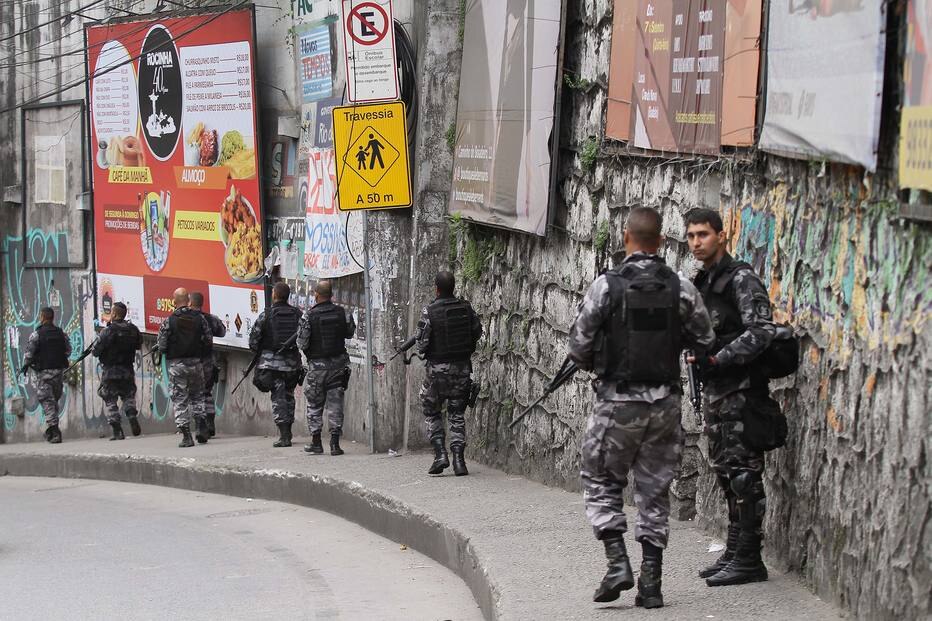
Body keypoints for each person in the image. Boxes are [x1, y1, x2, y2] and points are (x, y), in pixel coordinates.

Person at [569, 207, 715, 608]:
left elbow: (579, 345)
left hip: (618, 403)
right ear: (662, 242)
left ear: (625, 237)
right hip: (666, 403)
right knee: (654, 490)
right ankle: (651, 584)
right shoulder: (681, 287)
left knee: (600, 479)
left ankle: (618, 563)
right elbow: (704, 337)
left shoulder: (606, 286)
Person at [685, 208, 778, 587]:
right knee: (725, 473)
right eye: (691, 235)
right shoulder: (704, 282)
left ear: (721, 236)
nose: (696, 242)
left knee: (744, 475)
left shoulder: (741, 279)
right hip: (718, 393)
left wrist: (719, 357)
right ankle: (736, 550)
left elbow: (762, 331)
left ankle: (750, 558)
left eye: (703, 234)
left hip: (741, 392)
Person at [415, 271, 482, 476]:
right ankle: (459, 461)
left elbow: (421, 345)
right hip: (462, 370)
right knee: (456, 414)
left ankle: (440, 454)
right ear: (453, 287)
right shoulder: (466, 308)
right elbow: (477, 333)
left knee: (432, 410)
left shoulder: (430, 311)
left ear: (436, 288)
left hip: (436, 372)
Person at [296, 280, 356, 456]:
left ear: (316, 294)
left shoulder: (308, 316)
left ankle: (316, 442)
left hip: (317, 368)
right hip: (338, 366)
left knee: (315, 404)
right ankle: (335, 444)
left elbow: (301, 342)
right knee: (335, 404)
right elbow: (350, 332)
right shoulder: (342, 313)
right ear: (332, 295)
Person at [249, 282, 304, 448]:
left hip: (272, 365)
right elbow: (304, 337)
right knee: (288, 395)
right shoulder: (298, 314)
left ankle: (284, 434)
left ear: (274, 295)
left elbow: (253, 341)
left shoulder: (266, 315)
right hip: (292, 364)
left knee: (278, 397)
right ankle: (287, 429)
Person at [157, 288, 212, 447]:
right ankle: (201, 426)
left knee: (180, 399)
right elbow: (208, 339)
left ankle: (187, 436)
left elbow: (162, 345)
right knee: (198, 396)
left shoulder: (169, 321)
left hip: (177, 365)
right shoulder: (200, 319)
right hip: (196, 363)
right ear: (189, 300)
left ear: (174, 302)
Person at [92, 302, 142, 440]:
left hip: (110, 371)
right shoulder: (133, 329)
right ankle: (131, 415)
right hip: (127, 370)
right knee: (128, 396)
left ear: (113, 314)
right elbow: (138, 344)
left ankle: (117, 430)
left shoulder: (108, 331)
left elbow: (96, 351)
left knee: (110, 399)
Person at [22, 307, 72, 443]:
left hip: (44, 374)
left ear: (42, 317)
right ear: (52, 317)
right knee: (53, 401)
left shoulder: (36, 335)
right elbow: (68, 350)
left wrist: (26, 366)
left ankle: (55, 432)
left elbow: (28, 354)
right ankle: (51, 430)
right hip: (59, 374)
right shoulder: (61, 334)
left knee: (47, 402)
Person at [189, 291, 226, 437]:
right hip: (208, 361)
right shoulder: (210, 319)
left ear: (190, 303)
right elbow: (222, 331)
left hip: (191, 361)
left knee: (195, 395)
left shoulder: (185, 319)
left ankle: (200, 425)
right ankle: (210, 422)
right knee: (206, 393)